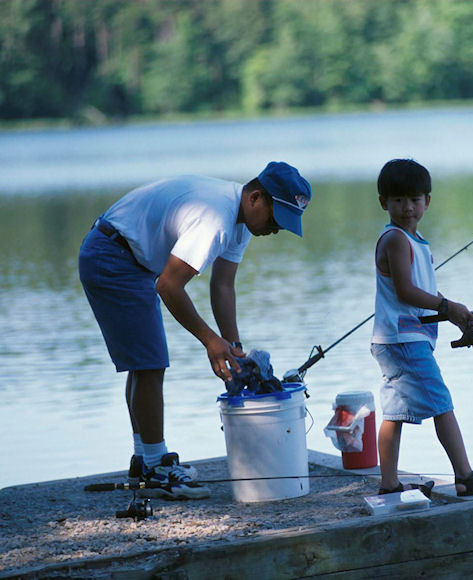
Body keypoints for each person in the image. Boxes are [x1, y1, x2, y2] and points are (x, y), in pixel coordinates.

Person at [78, 161, 312, 499]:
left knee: (145, 363)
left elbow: (223, 285)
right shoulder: (215, 219)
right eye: (277, 218)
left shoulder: (240, 221)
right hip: (113, 256)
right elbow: (169, 286)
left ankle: (146, 460)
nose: (277, 228)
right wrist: (210, 341)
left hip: (127, 257)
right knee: (149, 363)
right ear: (257, 197)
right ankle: (157, 468)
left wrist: (232, 345)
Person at [370, 158, 473, 497]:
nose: (407, 207)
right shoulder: (395, 240)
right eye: (398, 200)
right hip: (403, 340)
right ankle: (465, 477)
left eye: (414, 199)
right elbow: (406, 292)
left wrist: (456, 314)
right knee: (442, 404)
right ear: (384, 203)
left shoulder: (415, 240)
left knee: (394, 411)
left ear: (427, 201)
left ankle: (389, 483)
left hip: (397, 339)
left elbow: (422, 290)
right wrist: (448, 308)